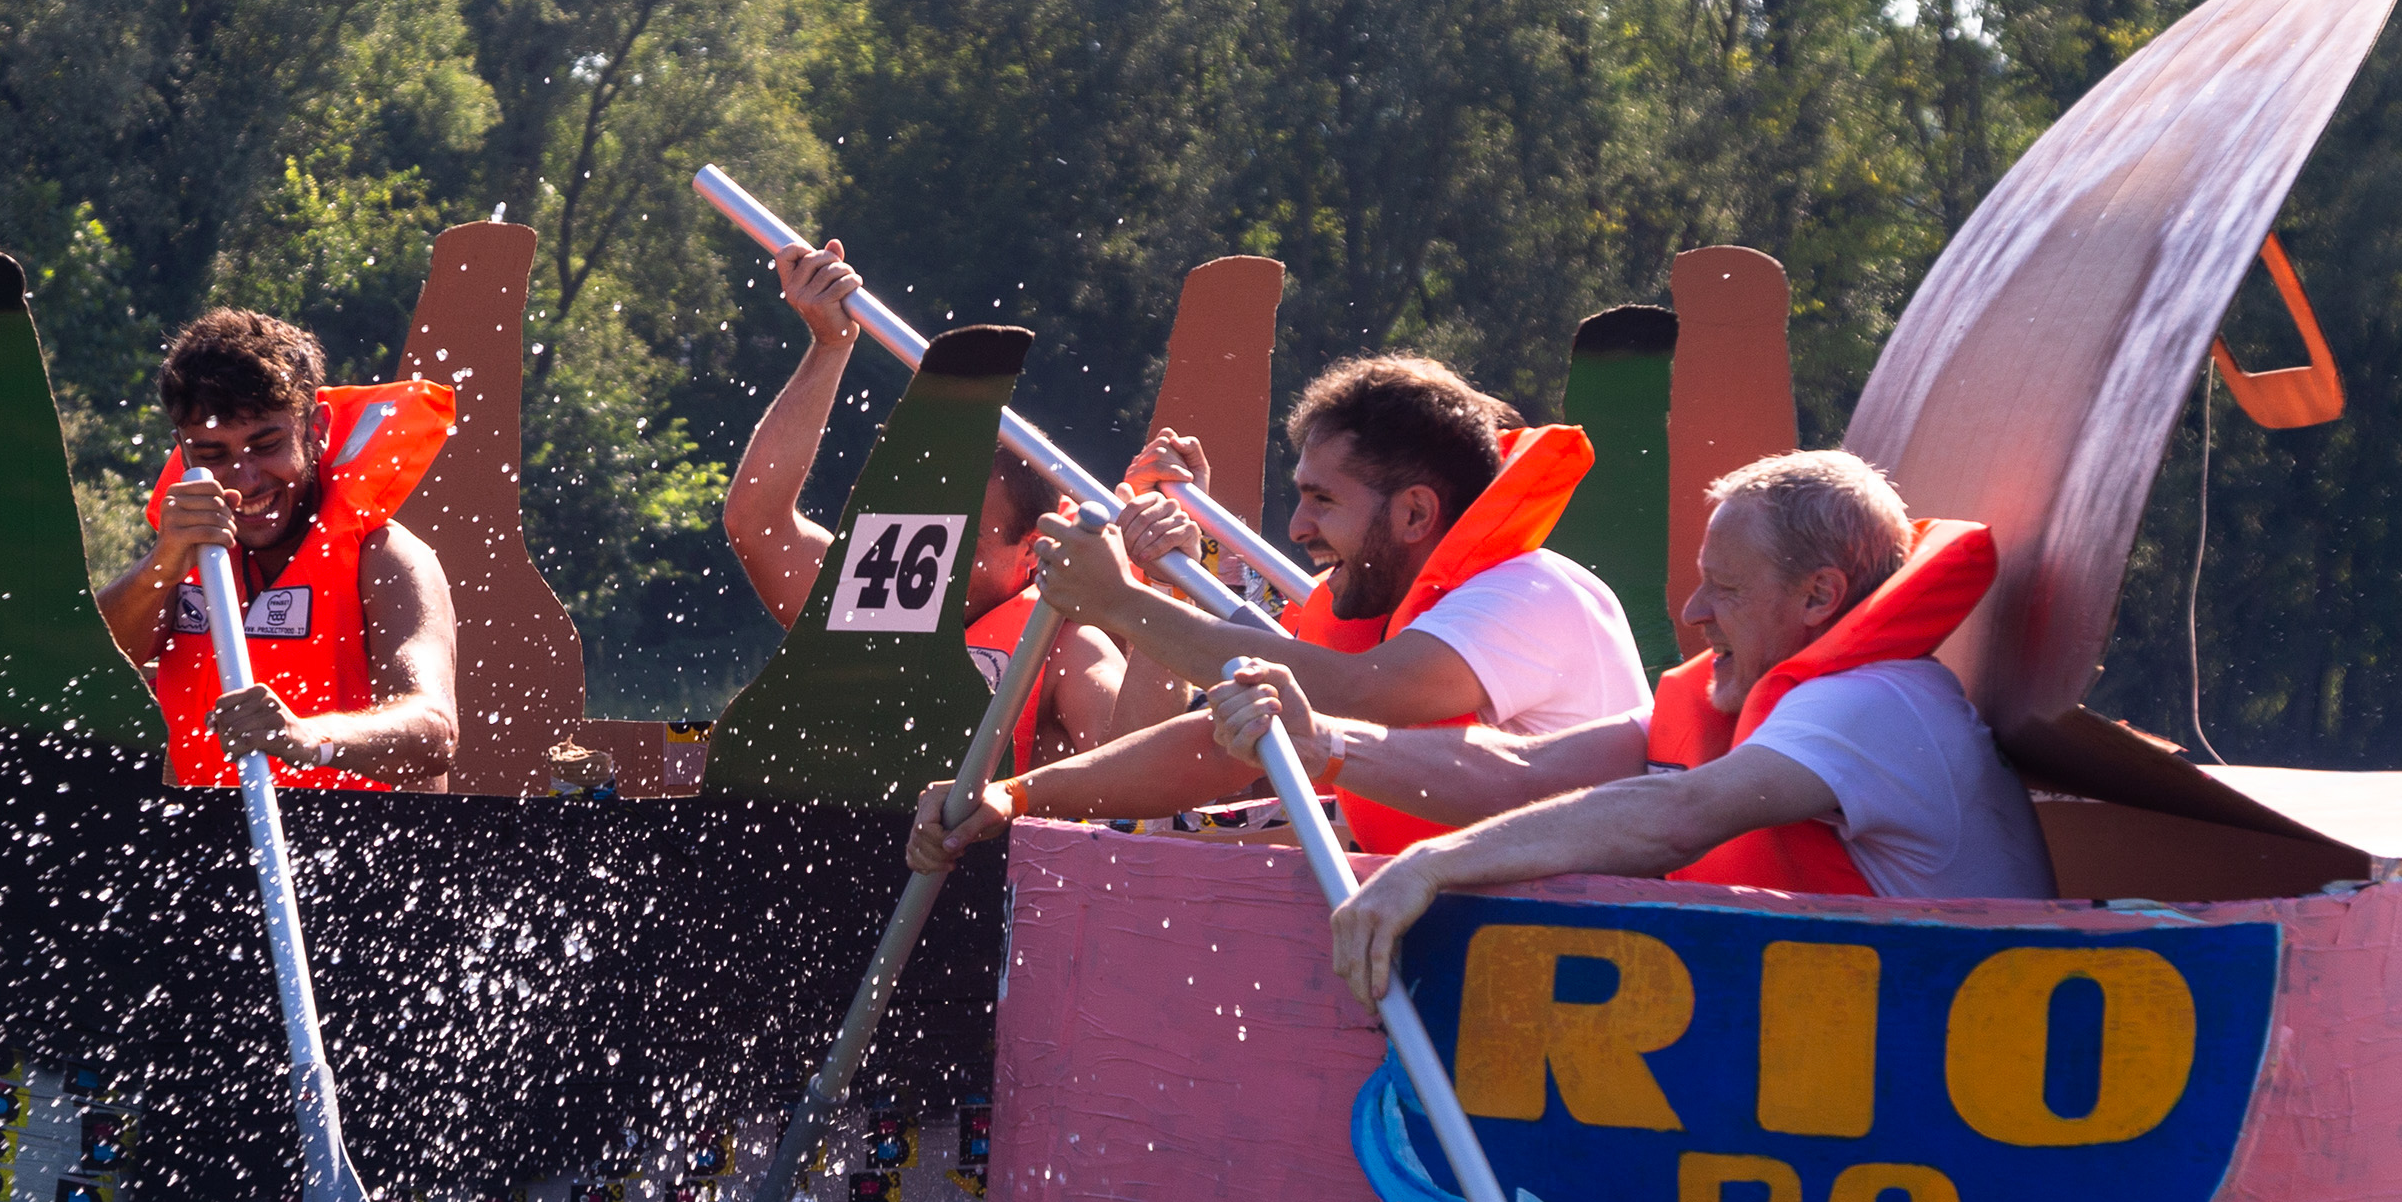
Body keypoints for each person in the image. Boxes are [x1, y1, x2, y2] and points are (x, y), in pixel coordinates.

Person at [1231, 448, 2055, 1003]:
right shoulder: (1762, 695)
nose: (1693, 614)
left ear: (1818, 597)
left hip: (1951, 1049)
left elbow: (1675, 818)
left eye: (1725, 590)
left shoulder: (1872, 702)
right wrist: (1327, 747)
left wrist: (1432, 864)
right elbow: (1524, 772)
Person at [907, 353, 1648, 868]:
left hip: (1566, 939)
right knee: (1137, 863)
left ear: (1417, 512)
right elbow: (1221, 735)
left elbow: (1357, 695)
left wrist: (1122, 601)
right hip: (1453, 915)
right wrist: (1016, 794)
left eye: (1323, 501)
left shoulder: (1532, 593)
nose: (1296, 529)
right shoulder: (1388, 606)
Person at [723, 237, 1142, 763]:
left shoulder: (1069, 649)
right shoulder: (866, 596)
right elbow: (754, 519)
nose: (929, 557)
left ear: (1032, 550)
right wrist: (830, 347)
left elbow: (1136, 772)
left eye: (958, 538)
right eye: (917, 525)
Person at [96, 306, 463, 792]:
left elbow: (434, 732)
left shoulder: (389, 559)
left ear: (316, 429)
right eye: (212, 454)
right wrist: (160, 565)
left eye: (266, 444)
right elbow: (84, 673)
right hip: (210, 849)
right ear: (184, 452)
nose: (245, 480)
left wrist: (309, 736)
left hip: (357, 852)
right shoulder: (178, 559)